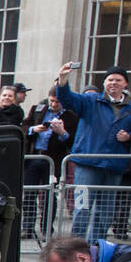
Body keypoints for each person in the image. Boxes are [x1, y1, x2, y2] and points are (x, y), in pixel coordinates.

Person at [55, 63, 131, 241]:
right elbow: (67, 99)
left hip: (114, 167)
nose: (113, 83)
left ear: (125, 84)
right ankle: (77, 246)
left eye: (118, 80)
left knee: (105, 212)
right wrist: (63, 80)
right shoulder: (90, 101)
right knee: (82, 208)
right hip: (87, 164)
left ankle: (96, 247)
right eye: (110, 80)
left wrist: (129, 137)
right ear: (104, 83)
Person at [22, 87, 77, 238]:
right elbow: (23, 127)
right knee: (29, 194)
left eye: (57, 102)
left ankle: (46, 229)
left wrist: (62, 133)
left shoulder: (71, 116)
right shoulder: (38, 109)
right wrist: (34, 129)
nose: (53, 104)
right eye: (51, 101)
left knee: (49, 196)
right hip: (34, 158)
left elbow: (73, 141)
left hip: (53, 161)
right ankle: (27, 227)